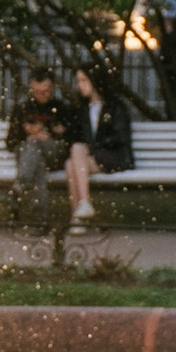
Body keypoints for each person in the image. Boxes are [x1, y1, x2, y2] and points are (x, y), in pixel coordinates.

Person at [65, 60, 135, 230]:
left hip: (115, 155)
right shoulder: (82, 108)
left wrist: (93, 147)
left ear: (95, 80)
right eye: (78, 81)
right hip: (94, 158)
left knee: (74, 158)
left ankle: (79, 216)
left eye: (83, 80)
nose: (79, 85)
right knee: (70, 163)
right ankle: (82, 210)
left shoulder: (115, 106)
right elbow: (75, 137)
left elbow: (120, 136)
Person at [4, 68, 70, 229]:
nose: (42, 95)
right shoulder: (23, 108)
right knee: (36, 158)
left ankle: (19, 188)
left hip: (55, 154)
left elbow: (72, 142)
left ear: (53, 88)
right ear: (31, 89)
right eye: (37, 92)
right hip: (32, 158)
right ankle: (39, 221)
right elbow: (10, 143)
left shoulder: (62, 108)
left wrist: (54, 133)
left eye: (46, 91)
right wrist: (25, 133)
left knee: (35, 144)